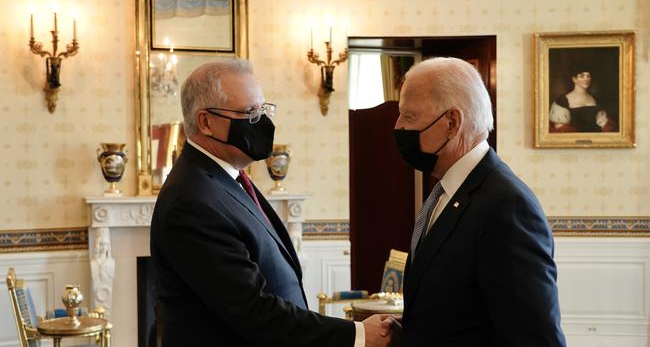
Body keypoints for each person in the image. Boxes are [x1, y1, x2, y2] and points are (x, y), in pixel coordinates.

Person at [150, 59, 393, 346]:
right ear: (206, 122)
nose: (263, 123)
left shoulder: (224, 179)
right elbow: (254, 310)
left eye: (263, 109)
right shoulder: (192, 200)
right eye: (250, 113)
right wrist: (358, 334)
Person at [390, 57, 566, 346]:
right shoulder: (445, 192)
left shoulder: (506, 207)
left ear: (452, 123)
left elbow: (536, 338)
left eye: (409, 117)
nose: (398, 127)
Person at [549, 67, 616, 133]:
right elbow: (561, 131)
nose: (586, 79)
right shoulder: (562, 101)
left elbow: (606, 126)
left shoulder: (595, 98)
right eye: (582, 76)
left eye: (588, 76)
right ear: (574, 79)